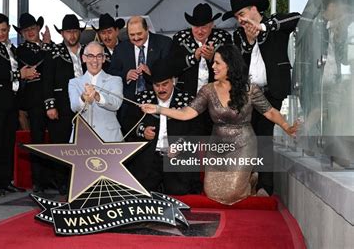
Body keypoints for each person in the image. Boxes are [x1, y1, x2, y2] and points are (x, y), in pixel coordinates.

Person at [140, 45, 298, 205]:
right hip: (217, 146)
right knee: (212, 193)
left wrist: (286, 126)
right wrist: (159, 109)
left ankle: (247, 182)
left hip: (243, 144)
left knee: (232, 193)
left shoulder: (249, 89)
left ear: (229, 65)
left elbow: (270, 112)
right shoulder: (207, 90)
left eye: (217, 63)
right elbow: (187, 113)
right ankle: (249, 181)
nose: (213, 66)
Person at [223, 0, 300, 195]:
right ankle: (247, 182)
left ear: (254, 9)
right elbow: (240, 66)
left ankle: (266, 186)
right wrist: (248, 42)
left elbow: (297, 18)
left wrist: (264, 28)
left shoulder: (274, 23)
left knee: (264, 136)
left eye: (242, 14)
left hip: (273, 91)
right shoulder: (238, 35)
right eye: (236, 17)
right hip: (249, 94)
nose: (240, 19)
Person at [0, 13, 37, 197]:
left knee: (8, 142)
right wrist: (20, 75)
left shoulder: (12, 48)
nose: (1, 33)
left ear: (8, 29)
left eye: (4, 30)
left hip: (12, 101)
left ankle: (6, 181)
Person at [127, 58, 202, 194]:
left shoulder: (187, 100)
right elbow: (128, 123)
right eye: (157, 85)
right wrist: (143, 131)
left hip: (176, 159)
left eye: (165, 84)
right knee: (142, 193)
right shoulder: (142, 99)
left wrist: (180, 145)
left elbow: (197, 130)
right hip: (149, 159)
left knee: (180, 191)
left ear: (173, 81)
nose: (161, 89)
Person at [171, 3, 233, 137]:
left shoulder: (223, 38)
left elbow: (231, 68)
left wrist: (212, 59)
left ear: (212, 26)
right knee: (190, 138)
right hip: (187, 99)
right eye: (196, 27)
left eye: (204, 27)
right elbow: (172, 68)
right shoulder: (180, 38)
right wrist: (194, 57)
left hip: (216, 99)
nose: (200, 31)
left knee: (214, 136)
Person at [42, 14, 86, 193]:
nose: (72, 36)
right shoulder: (53, 52)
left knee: (83, 144)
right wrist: (50, 106)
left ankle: (83, 180)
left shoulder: (88, 51)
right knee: (62, 144)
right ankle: (63, 182)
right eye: (68, 32)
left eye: (74, 31)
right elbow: (47, 81)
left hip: (86, 105)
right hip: (61, 105)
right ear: (62, 33)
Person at [108, 16, 172, 135]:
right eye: (132, 35)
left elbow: (171, 71)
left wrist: (151, 73)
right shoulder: (121, 49)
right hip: (129, 105)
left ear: (147, 29)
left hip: (156, 103)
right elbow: (111, 72)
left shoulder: (164, 43)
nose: (136, 38)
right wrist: (125, 75)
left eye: (139, 33)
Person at [14, 12, 53, 193]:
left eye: (32, 28)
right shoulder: (20, 50)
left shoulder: (50, 47)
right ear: (21, 33)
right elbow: (36, 63)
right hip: (34, 100)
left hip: (53, 98)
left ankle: (55, 178)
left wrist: (48, 45)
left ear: (38, 28)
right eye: (26, 30)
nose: (30, 32)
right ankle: (39, 180)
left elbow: (53, 66)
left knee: (54, 139)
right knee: (37, 140)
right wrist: (46, 47)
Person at [69, 41, 123, 142]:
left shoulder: (115, 80)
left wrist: (98, 96)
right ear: (84, 58)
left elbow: (116, 104)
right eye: (90, 56)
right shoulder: (74, 82)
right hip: (81, 139)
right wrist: (83, 97)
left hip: (110, 138)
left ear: (103, 59)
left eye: (99, 56)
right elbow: (74, 107)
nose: (95, 60)